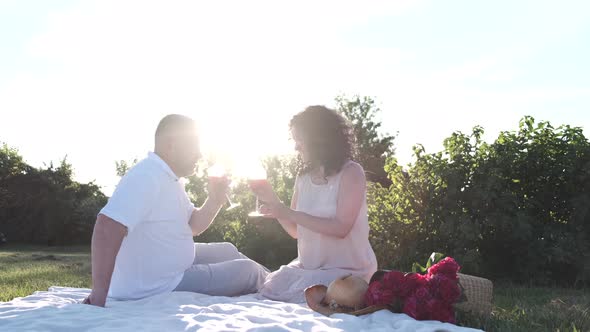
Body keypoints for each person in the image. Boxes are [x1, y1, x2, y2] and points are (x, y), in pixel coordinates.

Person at [84, 114, 268, 307]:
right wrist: (98, 295)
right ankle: (290, 286)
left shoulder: (170, 178)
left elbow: (193, 225)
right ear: (171, 145)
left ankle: (283, 279)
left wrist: (215, 199)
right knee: (249, 271)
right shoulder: (146, 176)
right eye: (194, 147)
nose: (199, 155)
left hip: (170, 266)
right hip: (157, 285)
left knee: (227, 249)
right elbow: (107, 227)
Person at [250, 105, 377, 303]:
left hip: (347, 271)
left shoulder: (351, 172)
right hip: (308, 267)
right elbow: (296, 231)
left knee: (306, 294)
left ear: (318, 139)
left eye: (299, 139)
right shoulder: (303, 177)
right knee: (272, 286)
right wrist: (274, 202)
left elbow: (341, 228)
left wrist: (287, 212)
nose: (296, 146)